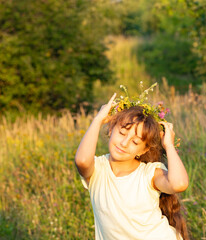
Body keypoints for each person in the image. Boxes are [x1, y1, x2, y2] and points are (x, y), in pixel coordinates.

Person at [75, 92, 189, 240]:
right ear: (111, 129)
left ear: (144, 150)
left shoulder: (149, 174)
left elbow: (179, 184)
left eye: (135, 142)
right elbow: (82, 161)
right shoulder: (98, 170)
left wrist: (168, 146)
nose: (124, 143)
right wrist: (97, 120)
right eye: (122, 133)